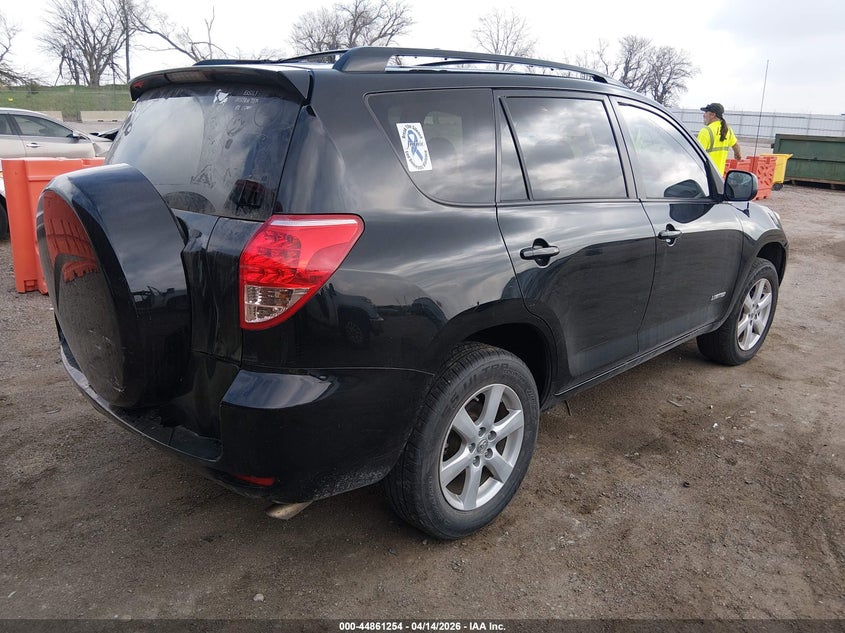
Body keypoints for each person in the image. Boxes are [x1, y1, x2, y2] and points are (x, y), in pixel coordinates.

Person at [697, 103, 742, 173]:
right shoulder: (728, 130)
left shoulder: (706, 131)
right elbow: (736, 146)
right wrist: (738, 155)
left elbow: (696, 154)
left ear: (713, 115)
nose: (704, 115)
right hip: (718, 176)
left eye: (706, 112)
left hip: (706, 174)